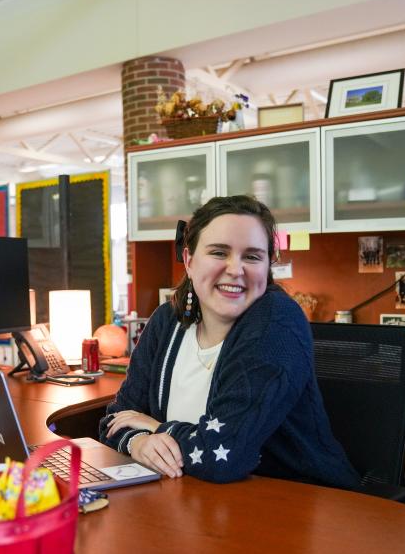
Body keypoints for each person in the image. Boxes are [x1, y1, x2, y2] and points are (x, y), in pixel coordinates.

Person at [99, 195, 359, 488]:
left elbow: (222, 456)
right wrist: (138, 442)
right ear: (189, 260)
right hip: (198, 500)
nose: (236, 269)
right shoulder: (166, 322)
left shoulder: (277, 323)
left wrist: (156, 427)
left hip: (303, 503)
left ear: (267, 267)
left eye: (252, 256)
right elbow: (116, 420)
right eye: (219, 252)